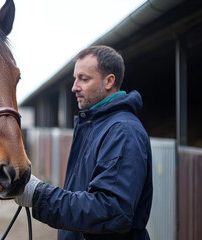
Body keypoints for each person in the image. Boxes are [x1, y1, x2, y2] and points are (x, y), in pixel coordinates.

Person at [15, 45, 153, 240]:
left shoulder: (123, 132)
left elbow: (112, 210)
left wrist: (40, 195)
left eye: (84, 79)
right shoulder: (94, 126)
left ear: (109, 81)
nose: (74, 87)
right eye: (75, 78)